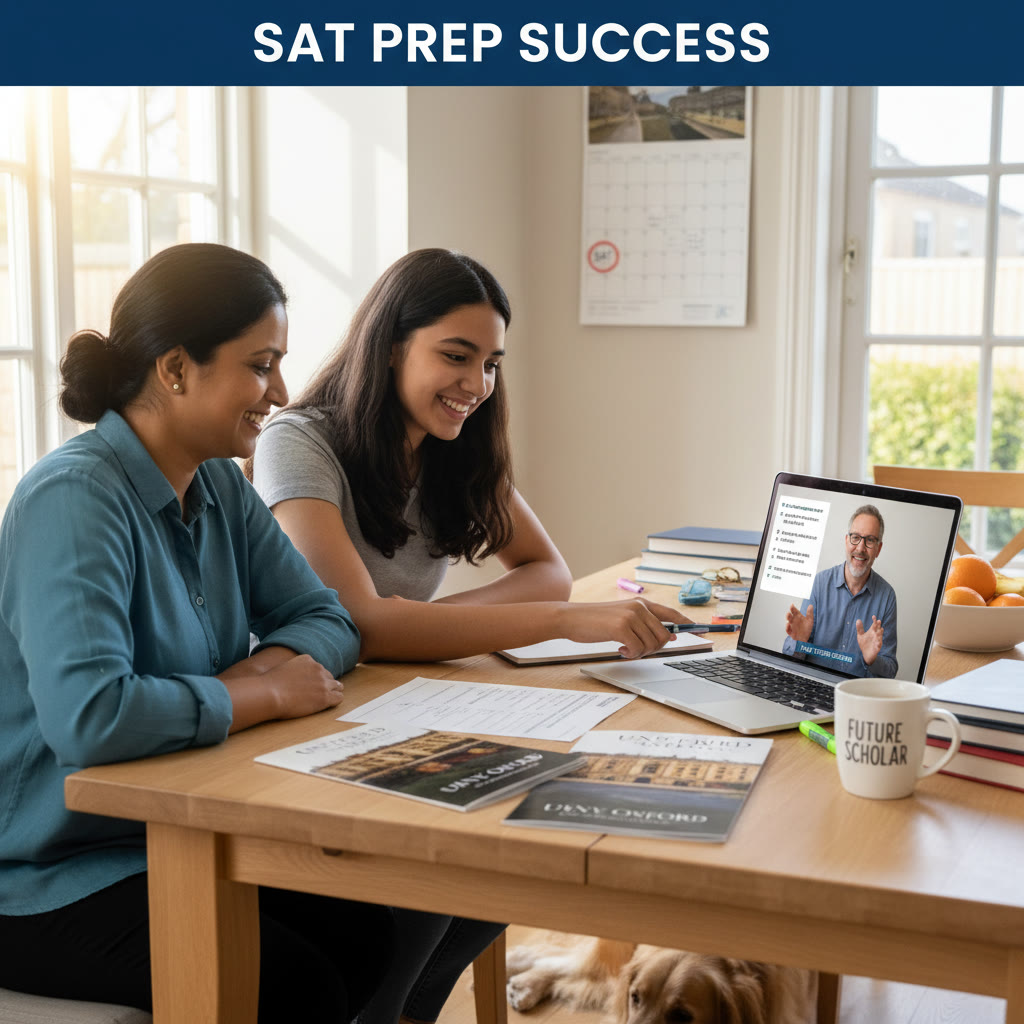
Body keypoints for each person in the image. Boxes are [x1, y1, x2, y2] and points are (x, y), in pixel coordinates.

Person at [249, 247, 689, 1024]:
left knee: (507, 866)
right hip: (301, 713)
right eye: (456, 356)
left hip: (393, 700)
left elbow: (546, 569)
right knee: (436, 886)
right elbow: (362, 621)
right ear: (390, 346)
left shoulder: (454, 447)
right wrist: (549, 624)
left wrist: (437, 628)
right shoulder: (300, 440)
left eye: (490, 363)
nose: (477, 385)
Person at [0, 243, 395, 1021]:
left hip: (171, 834)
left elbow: (326, 618)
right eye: (261, 364)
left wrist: (257, 679)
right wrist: (264, 692)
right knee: (290, 983)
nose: (280, 391)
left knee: (363, 933)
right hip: (40, 877)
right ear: (176, 369)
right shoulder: (73, 499)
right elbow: (92, 717)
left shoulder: (216, 480)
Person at [782, 504, 898, 678]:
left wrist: (871, 660)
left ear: (878, 549)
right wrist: (799, 644)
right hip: (814, 689)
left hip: (858, 695)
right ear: (846, 540)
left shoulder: (887, 596)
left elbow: (890, 670)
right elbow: (788, 656)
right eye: (855, 537)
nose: (860, 548)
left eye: (870, 540)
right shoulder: (820, 583)